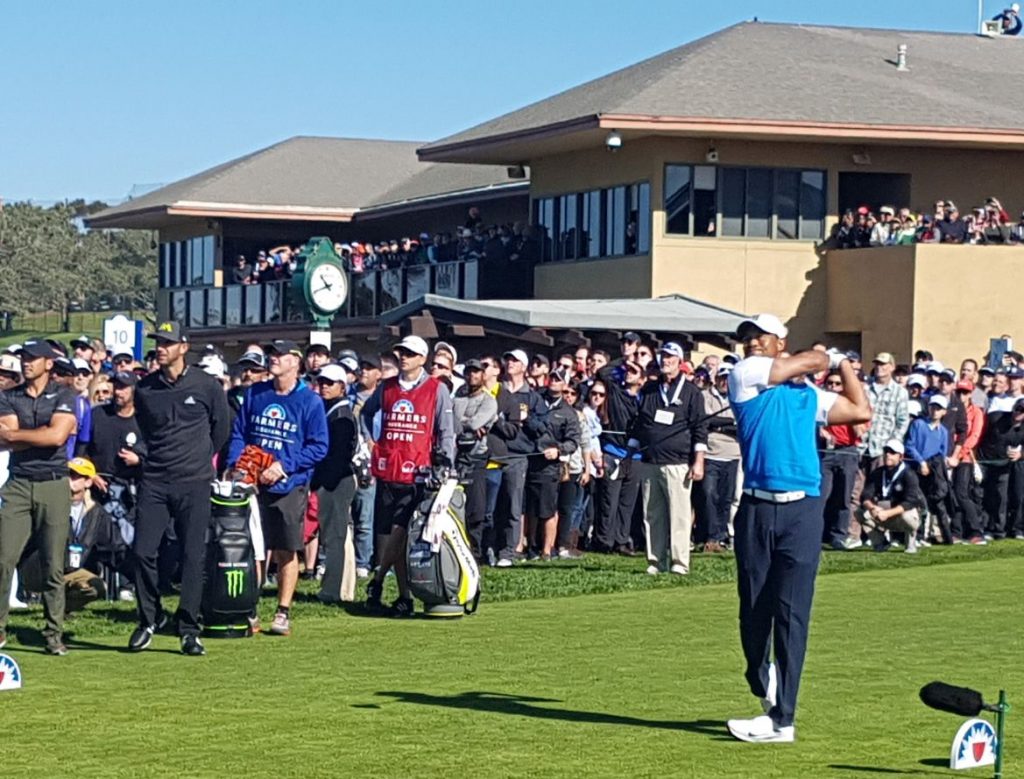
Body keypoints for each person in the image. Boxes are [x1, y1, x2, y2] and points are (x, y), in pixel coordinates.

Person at [726, 314, 871, 743]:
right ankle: (760, 675)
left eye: (760, 336)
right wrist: (825, 355)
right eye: (747, 337)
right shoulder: (746, 374)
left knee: (793, 614)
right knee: (754, 609)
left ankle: (783, 719)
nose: (751, 342)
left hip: (803, 512)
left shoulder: (808, 394)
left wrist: (844, 366)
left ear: (778, 340)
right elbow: (798, 363)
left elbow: (859, 411)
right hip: (757, 508)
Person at [129, 322, 231, 656]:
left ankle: (188, 627)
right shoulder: (145, 389)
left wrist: (200, 459)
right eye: (159, 342)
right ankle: (149, 618)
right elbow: (146, 428)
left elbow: (221, 430)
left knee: (192, 556)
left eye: (168, 343)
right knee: (143, 552)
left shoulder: (207, 385)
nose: (161, 348)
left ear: (183, 348)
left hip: (194, 482)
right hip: (155, 480)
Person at [228, 339, 328, 635]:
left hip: (288, 485)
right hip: (252, 486)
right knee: (252, 550)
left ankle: (283, 611)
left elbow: (319, 446)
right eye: (271, 354)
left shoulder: (309, 401)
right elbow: (239, 433)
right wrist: (236, 466)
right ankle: (250, 608)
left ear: (295, 362)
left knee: (285, 550)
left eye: (280, 355)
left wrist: (283, 465)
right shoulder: (256, 393)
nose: (273, 359)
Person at [362, 336, 454, 616]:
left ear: (422, 359)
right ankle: (404, 598)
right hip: (388, 469)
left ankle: (377, 582)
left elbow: (446, 430)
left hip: (418, 473)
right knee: (394, 537)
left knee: (400, 531)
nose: (403, 357)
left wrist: (445, 464)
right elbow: (366, 414)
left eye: (410, 353)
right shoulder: (387, 387)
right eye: (401, 352)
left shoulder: (436, 389)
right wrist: (371, 441)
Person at [0, 340, 79, 655]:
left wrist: (20, 436)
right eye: (23, 358)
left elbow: (57, 436)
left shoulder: (64, 395)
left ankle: (53, 634)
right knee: (4, 559)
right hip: (18, 483)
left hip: (53, 483)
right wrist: (39, 435)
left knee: (52, 564)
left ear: (49, 363)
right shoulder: (8, 396)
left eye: (32, 358)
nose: (26, 363)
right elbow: (4, 437)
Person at [632, 342, 707, 576]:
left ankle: (679, 562)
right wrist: (632, 449)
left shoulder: (691, 392)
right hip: (651, 460)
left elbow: (700, 429)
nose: (666, 361)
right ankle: (656, 561)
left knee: (679, 515)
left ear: (679, 361)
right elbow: (640, 423)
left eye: (670, 357)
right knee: (652, 514)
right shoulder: (649, 390)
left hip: (679, 462)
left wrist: (699, 460)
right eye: (663, 356)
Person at [310, 363, 359, 603]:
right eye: (321, 382)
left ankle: (334, 590)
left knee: (335, 537)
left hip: (337, 481)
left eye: (329, 383)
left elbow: (338, 455)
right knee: (340, 536)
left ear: (342, 386)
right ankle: (343, 589)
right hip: (334, 480)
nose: (324, 386)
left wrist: (321, 482)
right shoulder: (333, 411)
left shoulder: (341, 415)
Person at [524, 369, 580, 560]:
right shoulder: (536, 400)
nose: (554, 381)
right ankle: (530, 546)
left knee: (547, 509)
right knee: (529, 509)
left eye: (558, 379)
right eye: (552, 378)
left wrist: (558, 450)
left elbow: (573, 442)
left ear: (564, 385)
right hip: (531, 460)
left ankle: (547, 550)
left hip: (550, 465)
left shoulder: (568, 412)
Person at [453, 359, 498, 560]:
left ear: (483, 375)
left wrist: (466, 424)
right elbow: (451, 423)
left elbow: (476, 423)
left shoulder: (488, 400)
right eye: (469, 372)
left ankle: (476, 552)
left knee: (476, 508)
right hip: (455, 456)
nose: (472, 376)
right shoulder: (458, 396)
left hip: (477, 458)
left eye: (476, 372)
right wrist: (467, 424)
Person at [696, 365, 740, 553]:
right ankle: (710, 535)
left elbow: (741, 424)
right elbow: (705, 421)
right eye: (722, 377)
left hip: (733, 454)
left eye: (728, 378)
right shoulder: (705, 396)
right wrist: (728, 424)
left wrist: (719, 426)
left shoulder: (738, 398)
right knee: (708, 495)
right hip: (711, 453)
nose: (724, 382)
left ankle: (721, 536)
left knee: (726, 498)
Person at [857, 439, 926, 553]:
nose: (888, 455)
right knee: (859, 512)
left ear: (901, 457)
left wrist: (887, 513)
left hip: (904, 515)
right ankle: (881, 543)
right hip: (884, 512)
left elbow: (910, 501)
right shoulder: (878, 473)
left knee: (907, 515)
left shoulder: (909, 474)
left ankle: (911, 542)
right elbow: (865, 496)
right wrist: (872, 508)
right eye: (886, 451)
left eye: (892, 452)